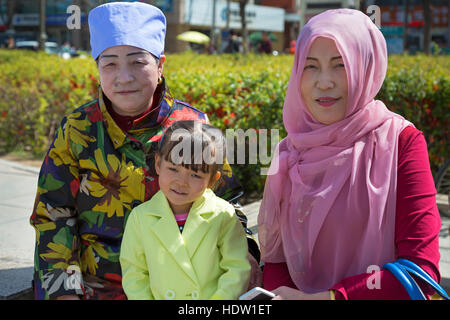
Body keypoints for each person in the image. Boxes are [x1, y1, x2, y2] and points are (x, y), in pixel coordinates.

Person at [29, 2, 257, 300]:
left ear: (160, 65)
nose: (124, 77)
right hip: (95, 288)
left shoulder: (192, 125)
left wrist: (248, 254)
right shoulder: (77, 129)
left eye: (138, 62)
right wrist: (63, 291)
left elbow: (226, 201)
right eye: (109, 63)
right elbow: (53, 214)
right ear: (97, 68)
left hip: (187, 288)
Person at [257, 9, 442, 300]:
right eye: (310, 66)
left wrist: (327, 298)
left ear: (366, 67)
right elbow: (277, 259)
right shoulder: (289, 152)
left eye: (340, 65)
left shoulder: (401, 142)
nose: (324, 82)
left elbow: (421, 272)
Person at [120, 121, 251, 299]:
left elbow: (237, 268)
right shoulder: (140, 217)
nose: (181, 182)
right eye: (173, 169)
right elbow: (135, 274)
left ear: (213, 180)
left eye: (195, 174)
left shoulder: (223, 214)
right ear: (158, 164)